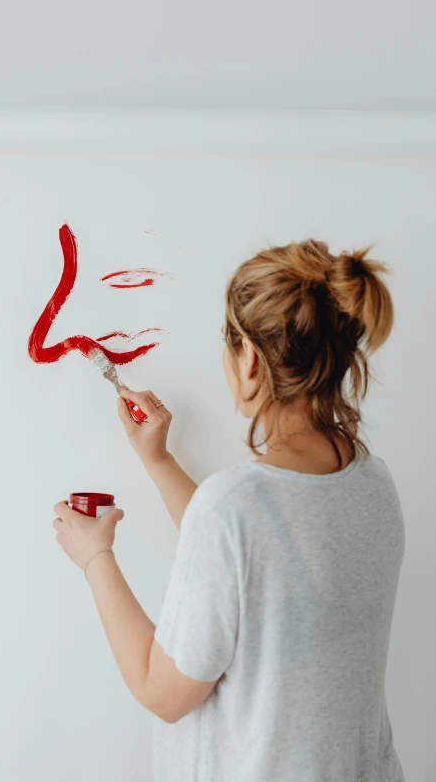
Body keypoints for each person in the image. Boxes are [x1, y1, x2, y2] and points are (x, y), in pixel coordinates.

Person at [53, 237, 405, 782]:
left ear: (249, 361)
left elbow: (162, 692)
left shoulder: (235, 510)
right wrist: (160, 460)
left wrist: (95, 557)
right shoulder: (374, 484)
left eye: (227, 339)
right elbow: (254, 560)